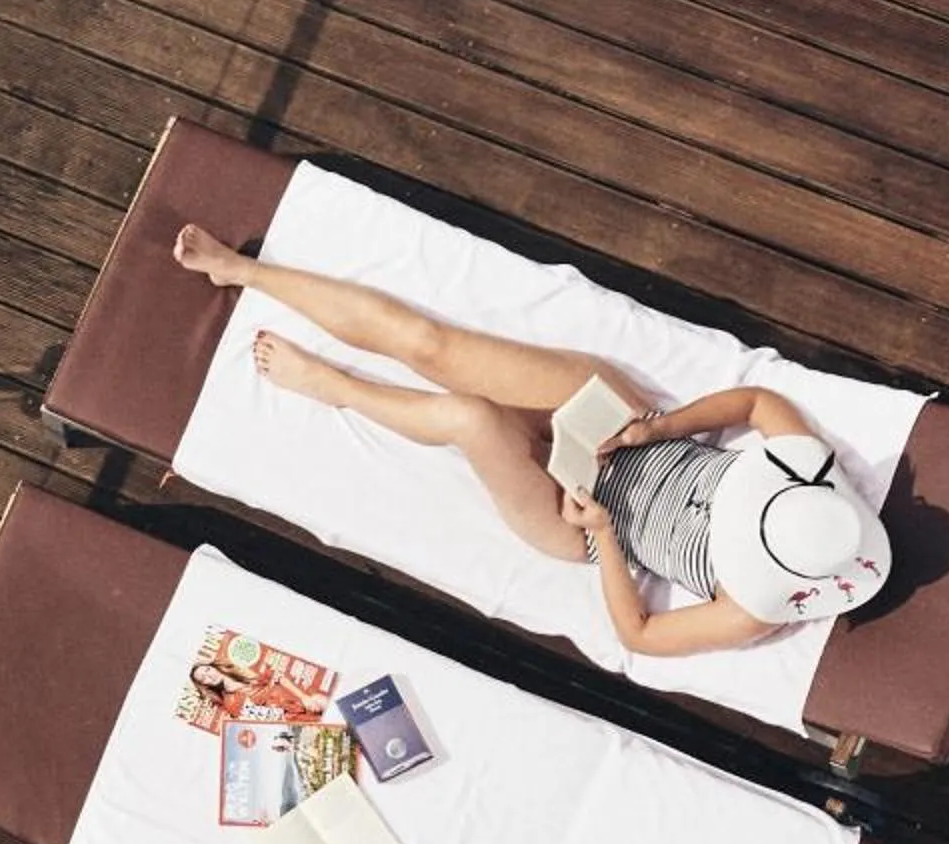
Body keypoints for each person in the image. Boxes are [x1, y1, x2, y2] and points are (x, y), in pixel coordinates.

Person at [171, 222, 890, 658]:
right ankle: (243, 270)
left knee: (468, 417)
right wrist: (661, 425)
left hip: (578, 520)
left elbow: (638, 634)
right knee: (430, 343)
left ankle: (337, 388)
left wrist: (605, 533)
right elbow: (759, 399)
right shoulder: (810, 483)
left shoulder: (751, 611)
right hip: (625, 426)